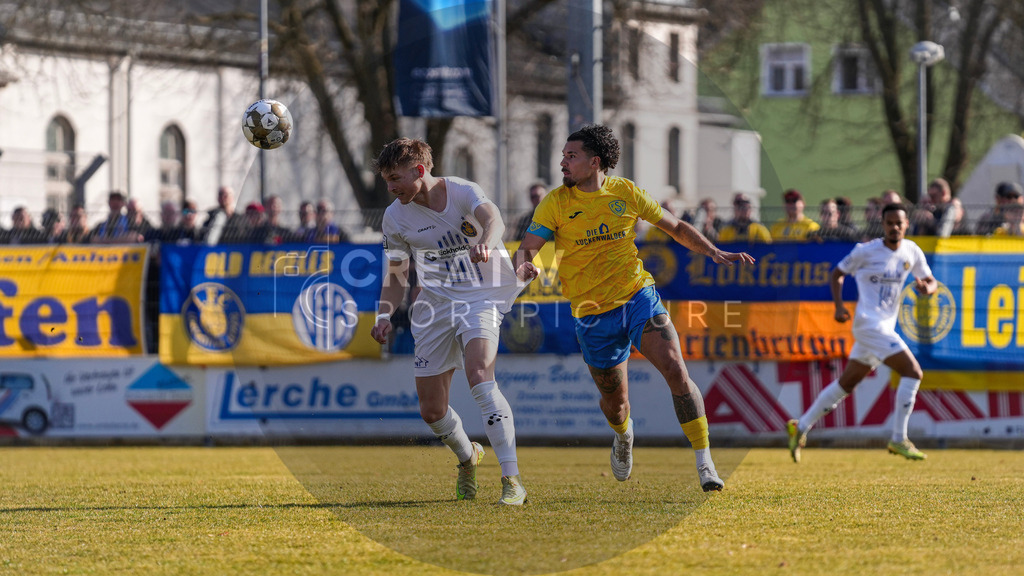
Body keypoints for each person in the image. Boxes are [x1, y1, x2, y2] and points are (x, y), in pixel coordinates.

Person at [513, 124, 755, 492]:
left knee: (675, 368)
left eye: (570, 156)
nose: (562, 162)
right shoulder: (556, 202)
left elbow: (673, 226)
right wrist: (523, 265)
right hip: (592, 313)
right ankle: (624, 435)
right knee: (616, 404)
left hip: (637, 296)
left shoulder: (625, 192)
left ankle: (705, 463)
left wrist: (713, 251)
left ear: (594, 162)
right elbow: (529, 246)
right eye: (563, 155)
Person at [370, 137, 528, 506]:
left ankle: (512, 480)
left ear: (420, 171)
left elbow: (494, 218)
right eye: (386, 181)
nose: (391, 188)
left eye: (395, 178)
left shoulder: (461, 191)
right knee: (432, 410)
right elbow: (396, 274)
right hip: (434, 306)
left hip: (480, 297)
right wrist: (383, 315)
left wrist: (487, 241)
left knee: (479, 376)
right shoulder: (394, 217)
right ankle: (467, 457)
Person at [787, 203, 937, 463]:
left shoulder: (911, 250)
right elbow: (837, 273)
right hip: (868, 324)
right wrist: (838, 306)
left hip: (884, 327)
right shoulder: (866, 251)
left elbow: (930, 280)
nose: (894, 227)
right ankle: (899, 439)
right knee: (913, 372)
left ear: (906, 225)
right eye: (889, 223)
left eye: (899, 223)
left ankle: (799, 427)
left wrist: (928, 289)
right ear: (883, 224)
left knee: (847, 383)